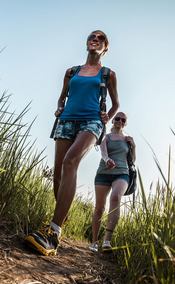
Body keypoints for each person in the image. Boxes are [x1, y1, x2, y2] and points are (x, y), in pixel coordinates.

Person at [24, 30, 120, 256]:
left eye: (100, 38)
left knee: (70, 163)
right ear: (87, 44)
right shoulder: (71, 71)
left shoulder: (108, 74)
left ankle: (52, 234)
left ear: (104, 48)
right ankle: (61, 219)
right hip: (66, 120)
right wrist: (59, 107)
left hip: (92, 122)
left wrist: (109, 116)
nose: (94, 39)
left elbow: (116, 103)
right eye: (91, 37)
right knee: (58, 174)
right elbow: (62, 96)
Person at [88, 112, 136, 253]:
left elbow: (132, 161)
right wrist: (107, 159)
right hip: (103, 173)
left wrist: (133, 146)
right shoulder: (105, 136)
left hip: (122, 173)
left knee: (115, 198)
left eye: (123, 119)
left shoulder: (128, 140)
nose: (120, 121)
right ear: (113, 121)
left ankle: (107, 240)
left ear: (125, 123)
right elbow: (103, 152)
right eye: (117, 118)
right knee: (99, 208)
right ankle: (94, 241)